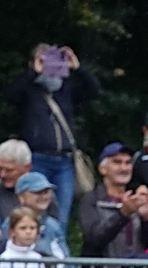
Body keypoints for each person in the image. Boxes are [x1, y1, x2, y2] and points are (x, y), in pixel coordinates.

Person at [6, 45, 99, 222]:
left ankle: (57, 248)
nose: (50, 65)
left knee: (61, 216)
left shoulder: (65, 90)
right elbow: (12, 96)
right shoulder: (28, 89)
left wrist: (77, 67)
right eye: (44, 60)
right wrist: (34, 72)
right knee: (33, 213)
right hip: (37, 159)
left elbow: (93, 90)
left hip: (64, 161)